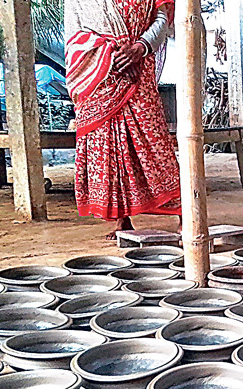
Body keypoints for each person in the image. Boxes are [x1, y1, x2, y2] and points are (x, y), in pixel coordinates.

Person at [65, 0, 181, 239]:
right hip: (99, 77)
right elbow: (75, 35)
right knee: (110, 149)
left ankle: (184, 214)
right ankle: (122, 220)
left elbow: (162, 21)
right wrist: (110, 57)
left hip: (139, 72)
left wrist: (139, 48)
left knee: (154, 142)